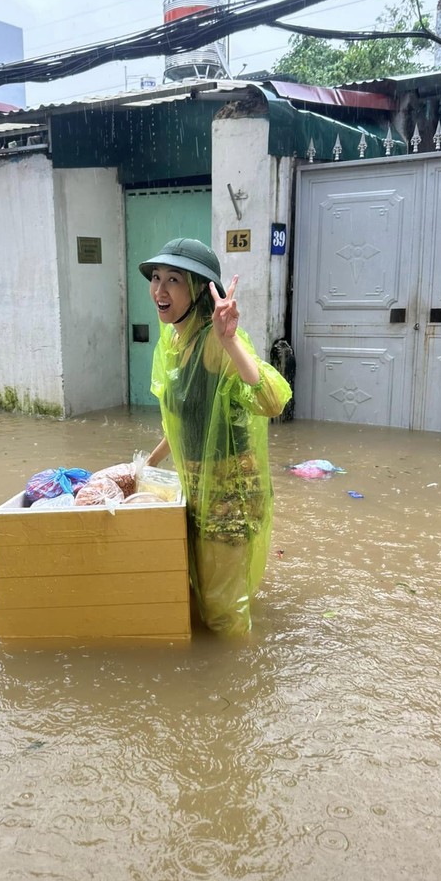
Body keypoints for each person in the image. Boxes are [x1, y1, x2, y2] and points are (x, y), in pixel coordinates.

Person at [139, 238, 292, 637]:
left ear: (198, 290)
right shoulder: (174, 342)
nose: (160, 290)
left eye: (174, 279)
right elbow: (183, 423)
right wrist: (143, 468)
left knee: (224, 613)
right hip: (196, 488)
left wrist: (229, 342)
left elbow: (273, 402)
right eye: (156, 278)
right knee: (201, 594)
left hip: (229, 491)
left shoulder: (213, 342)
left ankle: (237, 690)